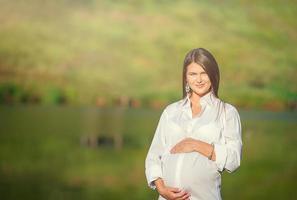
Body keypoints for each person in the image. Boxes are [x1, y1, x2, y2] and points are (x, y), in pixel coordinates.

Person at [145, 48, 242, 200]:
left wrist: (197, 144)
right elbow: (153, 156)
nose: (199, 80)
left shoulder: (226, 112)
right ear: (185, 78)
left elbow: (234, 160)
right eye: (193, 74)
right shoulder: (170, 112)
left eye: (204, 73)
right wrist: (161, 188)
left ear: (213, 75)